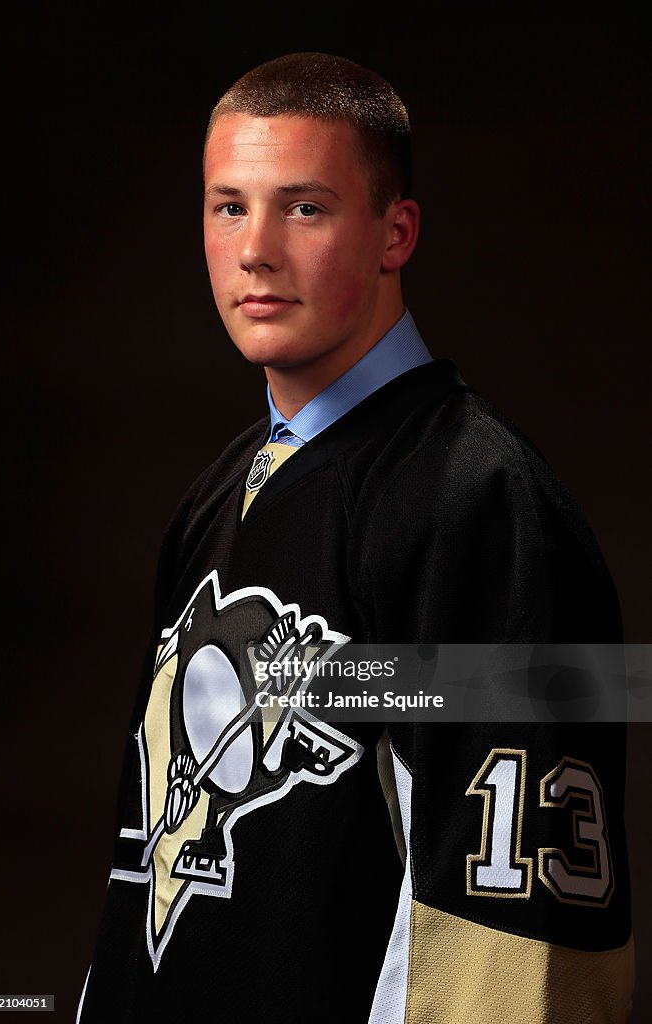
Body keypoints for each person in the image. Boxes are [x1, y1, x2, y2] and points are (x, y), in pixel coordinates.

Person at [77, 53, 634, 1023]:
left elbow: (506, 933)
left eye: (302, 208)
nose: (254, 249)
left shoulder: (479, 501)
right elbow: (148, 874)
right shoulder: (216, 495)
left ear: (394, 232)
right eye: (225, 206)